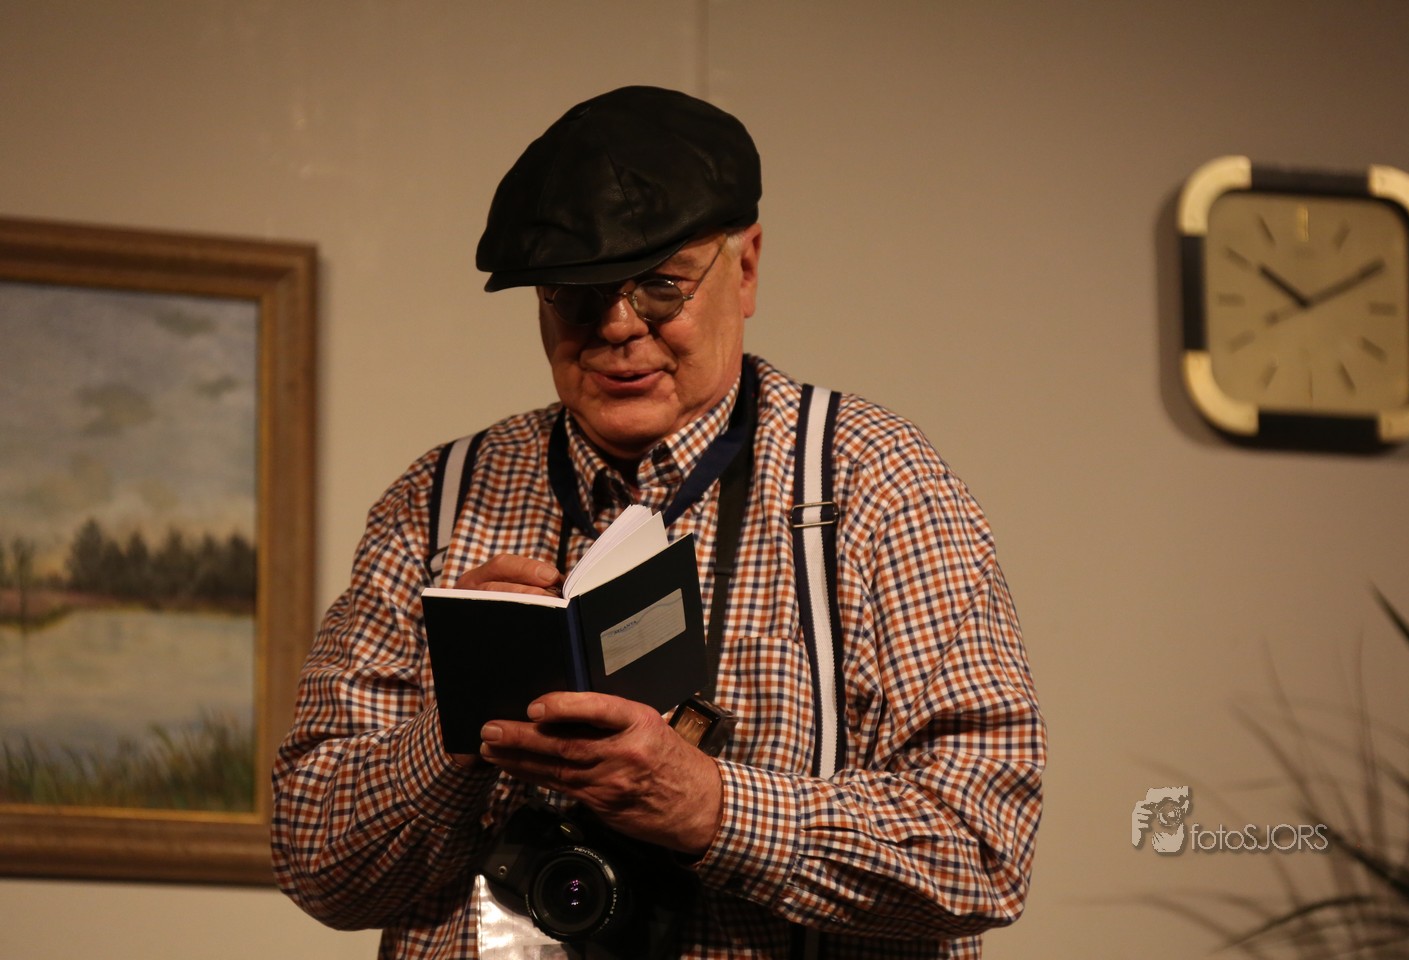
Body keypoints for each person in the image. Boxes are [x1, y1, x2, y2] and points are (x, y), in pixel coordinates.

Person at [271, 85, 1046, 959]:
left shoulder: (873, 484)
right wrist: (460, 727)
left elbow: (983, 847)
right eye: (575, 296)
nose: (617, 327)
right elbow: (314, 862)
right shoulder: (438, 502)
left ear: (745, 269)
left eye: (659, 288)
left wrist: (709, 806)